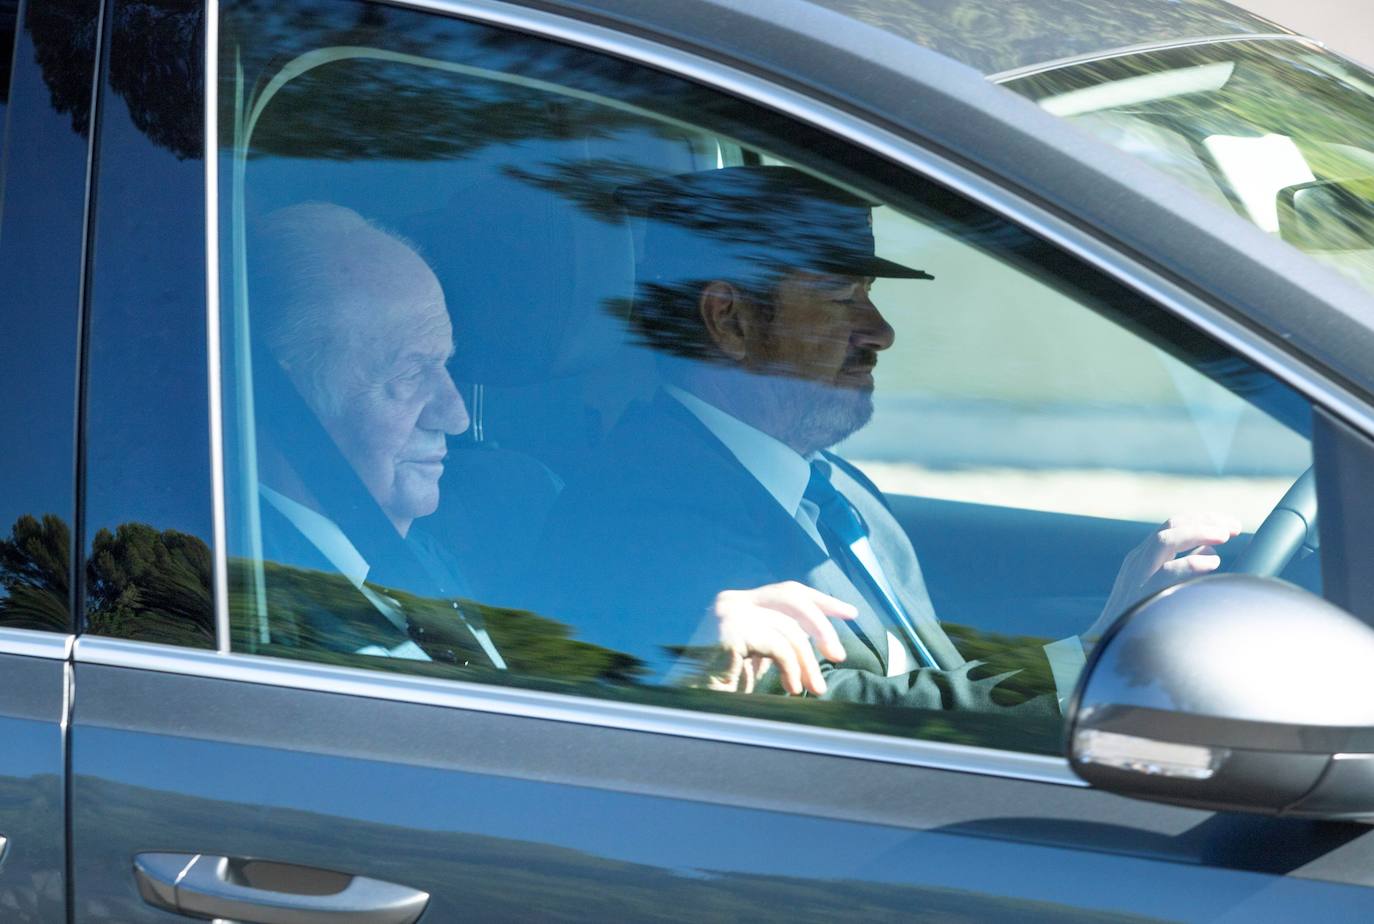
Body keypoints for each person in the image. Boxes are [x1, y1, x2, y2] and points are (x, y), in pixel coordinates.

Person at [533, 166, 1240, 709]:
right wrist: (1090, 656)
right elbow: (844, 723)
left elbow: (932, 681)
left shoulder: (831, 485)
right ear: (731, 321)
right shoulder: (643, 520)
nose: (881, 333)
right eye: (843, 298)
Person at [249, 202, 504, 667]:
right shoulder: (254, 611)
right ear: (290, 400)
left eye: (443, 366)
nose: (456, 416)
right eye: (410, 371)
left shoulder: (423, 557)